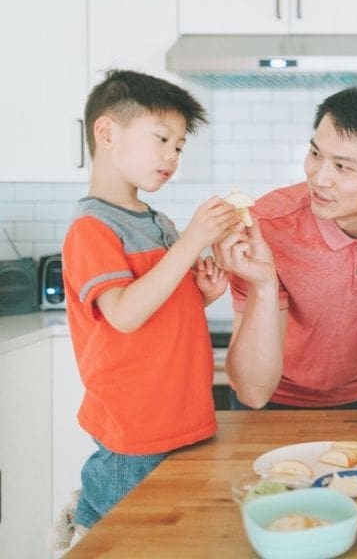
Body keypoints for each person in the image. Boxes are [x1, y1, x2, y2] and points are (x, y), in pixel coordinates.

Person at [60, 70, 239, 537]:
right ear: (107, 133)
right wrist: (192, 241)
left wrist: (200, 294)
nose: (172, 156)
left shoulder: (156, 220)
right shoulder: (92, 228)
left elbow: (156, 310)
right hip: (135, 430)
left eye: (179, 147)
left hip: (180, 417)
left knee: (168, 537)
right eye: (162, 138)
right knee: (122, 538)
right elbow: (123, 313)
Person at [213, 87, 357, 410]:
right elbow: (252, 392)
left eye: (342, 167)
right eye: (314, 154)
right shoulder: (265, 226)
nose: (319, 178)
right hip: (274, 399)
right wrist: (265, 284)